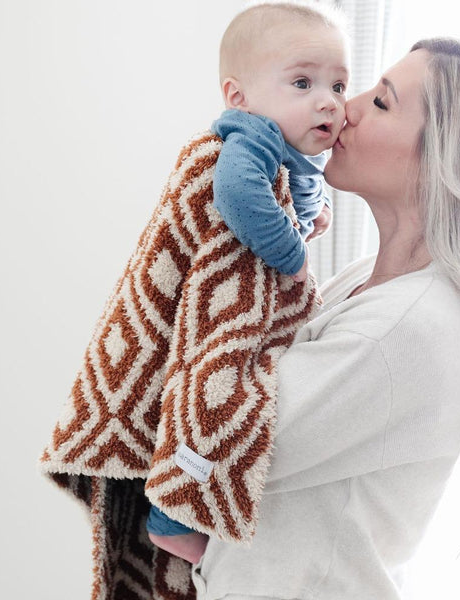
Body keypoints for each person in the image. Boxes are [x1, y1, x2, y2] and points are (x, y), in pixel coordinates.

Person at [191, 39, 460, 600]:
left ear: (446, 157)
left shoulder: (407, 327)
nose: (344, 107)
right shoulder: (372, 280)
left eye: (381, 102)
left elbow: (218, 445)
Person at [145, 1, 349, 562]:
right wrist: (293, 255)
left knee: (228, 405)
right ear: (239, 97)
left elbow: (299, 195)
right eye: (303, 82)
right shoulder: (250, 137)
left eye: (338, 83)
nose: (327, 99)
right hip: (221, 315)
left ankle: (189, 506)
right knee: (212, 398)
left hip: (258, 317)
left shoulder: (296, 153)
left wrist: (315, 215)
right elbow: (237, 194)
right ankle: (169, 514)